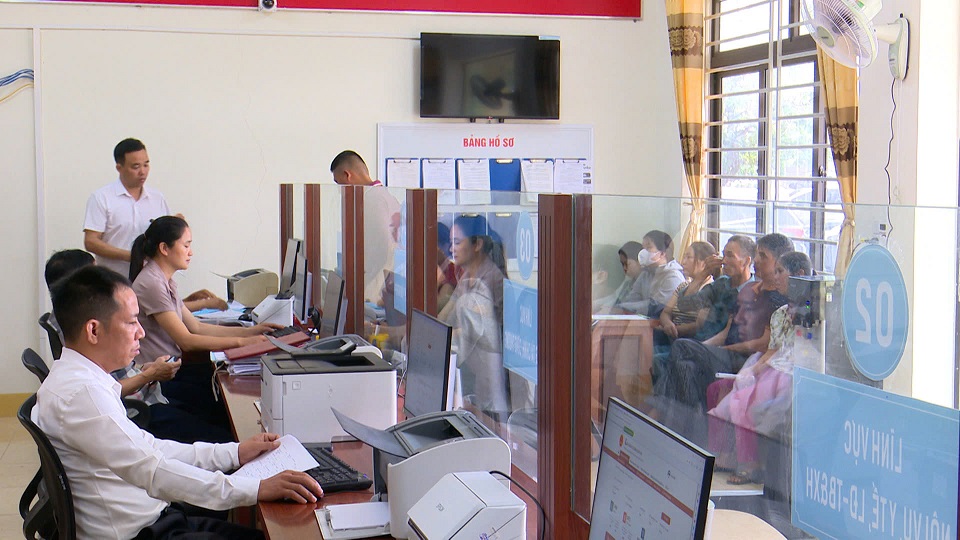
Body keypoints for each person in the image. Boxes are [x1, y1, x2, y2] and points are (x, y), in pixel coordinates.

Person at [36, 265, 323, 539]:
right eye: (132, 322)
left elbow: (151, 447)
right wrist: (256, 488)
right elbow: (154, 472)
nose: (141, 332)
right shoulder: (83, 395)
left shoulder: (79, 379)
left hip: (152, 518)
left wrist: (234, 453)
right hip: (141, 532)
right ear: (94, 331)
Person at [43, 249, 233, 444]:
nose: (140, 333)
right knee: (220, 433)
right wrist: (149, 374)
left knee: (212, 403)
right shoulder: (78, 331)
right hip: (139, 407)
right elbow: (107, 388)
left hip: (145, 391)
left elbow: (111, 376)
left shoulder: (70, 324)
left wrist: (144, 370)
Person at [129, 216, 279, 414]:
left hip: (173, 370)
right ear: (164, 248)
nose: (191, 252)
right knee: (221, 404)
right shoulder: (152, 283)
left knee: (219, 393)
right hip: (160, 378)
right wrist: (243, 343)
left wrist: (252, 332)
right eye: (186, 246)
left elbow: (196, 327)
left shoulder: (163, 279)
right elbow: (187, 341)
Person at [653, 234, 794, 439]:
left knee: (681, 348)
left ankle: (663, 421)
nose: (756, 260)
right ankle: (690, 434)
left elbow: (764, 345)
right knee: (685, 365)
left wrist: (715, 349)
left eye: (762, 256)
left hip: (744, 359)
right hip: (724, 352)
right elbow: (725, 328)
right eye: (757, 255)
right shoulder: (743, 289)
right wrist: (704, 348)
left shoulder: (779, 301)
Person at [83, 137, 227, 312]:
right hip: (113, 284)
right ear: (119, 167)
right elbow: (91, 242)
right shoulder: (102, 198)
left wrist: (176, 224)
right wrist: (132, 256)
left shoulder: (157, 198)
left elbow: (164, 236)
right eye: (136, 166)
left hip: (153, 282)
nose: (142, 172)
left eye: (146, 165)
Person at [708, 251, 812, 484]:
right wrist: (753, 371)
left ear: (799, 274)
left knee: (743, 401)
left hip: (794, 373)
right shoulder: (780, 314)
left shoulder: (811, 309)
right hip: (775, 366)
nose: (775, 277)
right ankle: (728, 456)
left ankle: (750, 463)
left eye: (780, 271)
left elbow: (806, 352)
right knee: (722, 390)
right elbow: (773, 351)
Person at [438, 214, 511, 418]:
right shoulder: (467, 278)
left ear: (477, 244)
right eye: (450, 242)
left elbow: (461, 340)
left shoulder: (488, 283)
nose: (451, 249)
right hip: (472, 385)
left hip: (489, 398)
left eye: (457, 242)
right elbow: (444, 320)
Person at [330, 150, 401, 305]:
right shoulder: (387, 196)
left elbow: (382, 246)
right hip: (384, 284)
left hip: (374, 288)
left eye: (339, 184)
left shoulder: (370, 200)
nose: (340, 191)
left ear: (347, 176)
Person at [652, 241, 720, 382]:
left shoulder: (710, 289)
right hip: (670, 335)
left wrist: (674, 330)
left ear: (703, 262)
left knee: (658, 359)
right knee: (646, 350)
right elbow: (666, 312)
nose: (683, 262)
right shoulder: (683, 286)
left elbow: (699, 325)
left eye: (688, 257)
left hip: (689, 341)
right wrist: (668, 324)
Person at [621, 230, 685, 317]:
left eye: (648, 247)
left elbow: (656, 307)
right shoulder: (646, 273)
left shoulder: (673, 276)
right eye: (643, 248)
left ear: (662, 253)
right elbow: (632, 298)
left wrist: (624, 307)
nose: (643, 252)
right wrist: (621, 307)